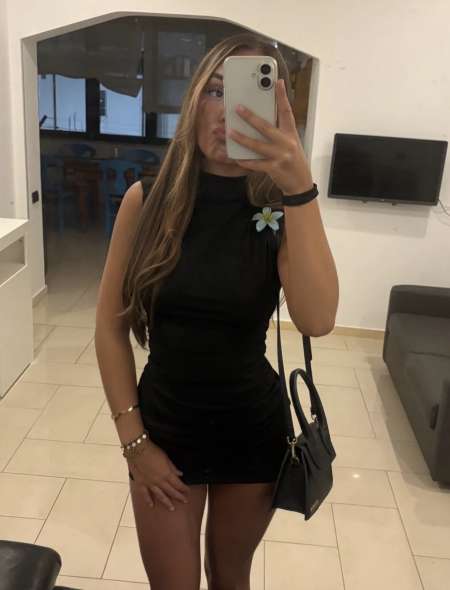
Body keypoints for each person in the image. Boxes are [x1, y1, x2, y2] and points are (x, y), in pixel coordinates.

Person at [95, 31, 339, 590]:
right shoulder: (146, 200)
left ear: (278, 111)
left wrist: (299, 186)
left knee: (231, 576)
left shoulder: (282, 207)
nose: (229, 112)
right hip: (164, 428)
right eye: (215, 91)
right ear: (194, 102)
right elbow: (109, 328)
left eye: (250, 94)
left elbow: (318, 319)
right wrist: (134, 442)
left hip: (251, 429)